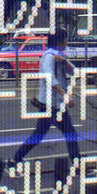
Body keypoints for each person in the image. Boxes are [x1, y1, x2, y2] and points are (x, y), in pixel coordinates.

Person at [13, 28, 80, 164]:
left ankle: (16, 159)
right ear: (60, 41)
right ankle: (77, 164)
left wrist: (64, 62)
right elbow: (49, 78)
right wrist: (64, 94)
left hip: (55, 105)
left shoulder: (59, 56)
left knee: (41, 135)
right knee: (68, 134)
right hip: (50, 104)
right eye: (65, 39)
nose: (67, 42)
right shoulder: (49, 56)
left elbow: (75, 72)